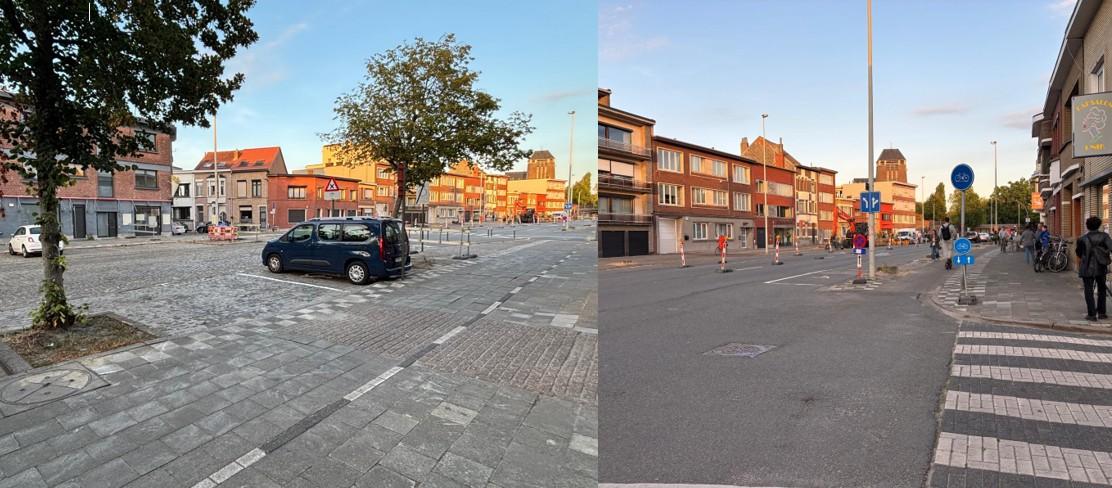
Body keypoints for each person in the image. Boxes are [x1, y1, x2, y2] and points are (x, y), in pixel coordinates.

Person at [1075, 216, 1112, 320]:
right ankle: (1102, 313)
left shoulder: (1082, 239)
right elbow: (1111, 248)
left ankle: (1091, 314)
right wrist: (1104, 253)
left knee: (1088, 290)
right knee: (1102, 289)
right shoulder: (1104, 236)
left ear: (1087, 226)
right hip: (1101, 266)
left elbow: (1078, 253)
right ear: (1099, 225)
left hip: (1086, 267)